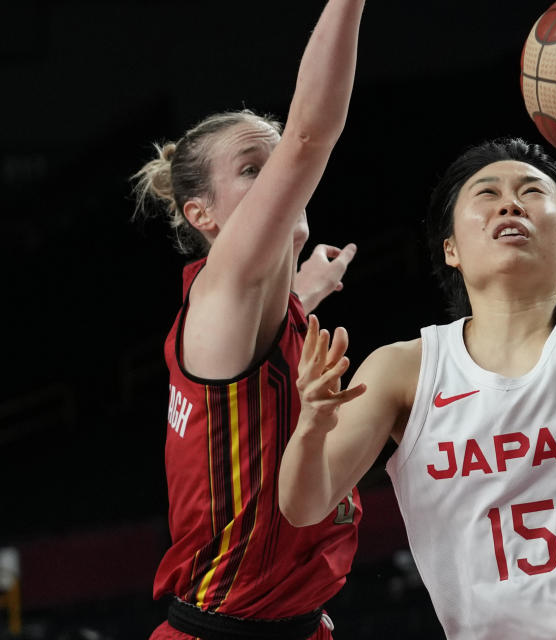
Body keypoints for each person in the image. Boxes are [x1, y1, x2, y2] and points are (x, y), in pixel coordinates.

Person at [280, 88, 556, 639]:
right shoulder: (404, 369)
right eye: (486, 193)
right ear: (451, 249)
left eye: (531, 192)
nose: (509, 204)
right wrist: (309, 425)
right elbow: (304, 507)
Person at [130, 2, 366, 638]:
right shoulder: (223, 289)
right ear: (202, 216)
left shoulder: (253, 313)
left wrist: (307, 287)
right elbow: (312, 133)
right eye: (253, 171)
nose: (279, 184)